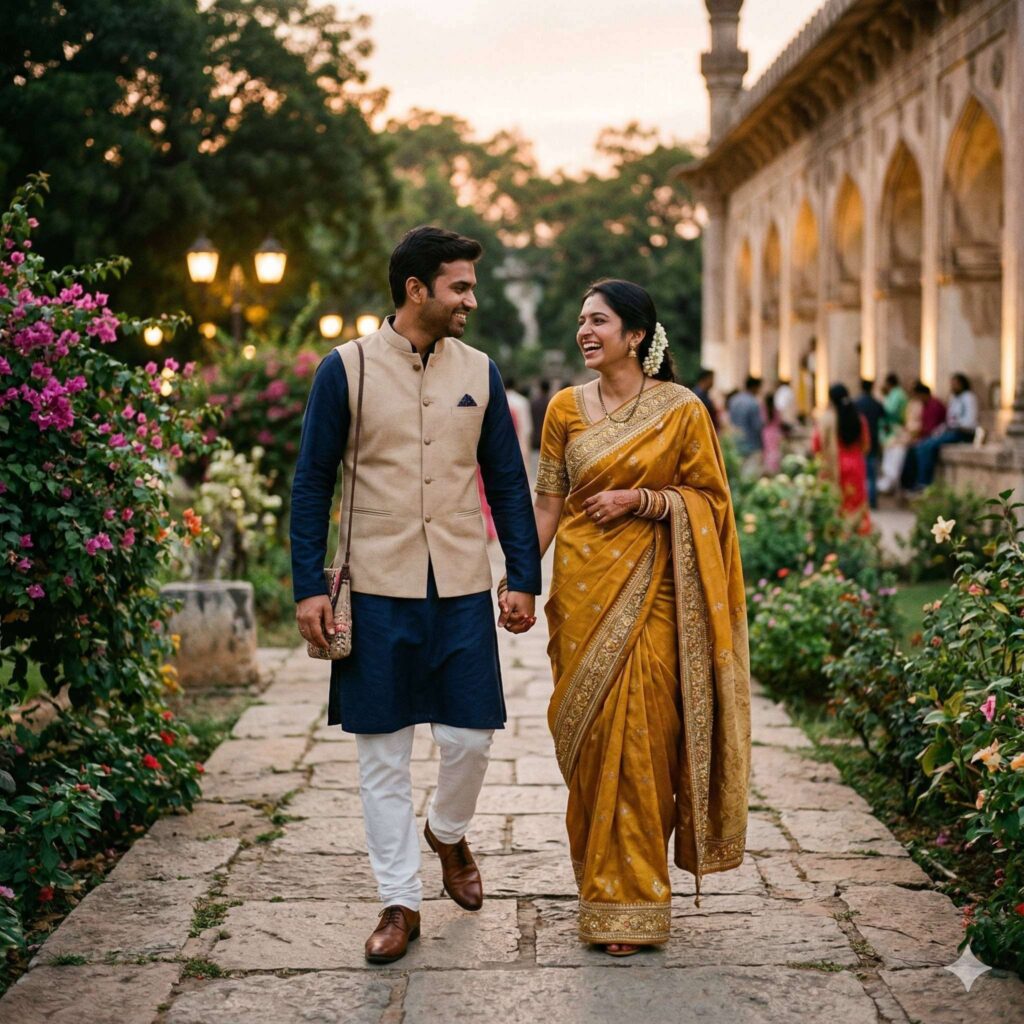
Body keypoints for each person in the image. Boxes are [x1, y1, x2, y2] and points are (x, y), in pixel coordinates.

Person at [290, 226, 542, 965]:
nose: (472, 298)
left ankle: (448, 831)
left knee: (470, 739)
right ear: (416, 289)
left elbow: (506, 482)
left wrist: (522, 575)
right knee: (382, 757)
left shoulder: (482, 371)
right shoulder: (346, 371)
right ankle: (400, 900)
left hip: (460, 581)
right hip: (374, 585)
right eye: (460, 285)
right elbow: (312, 482)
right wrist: (310, 586)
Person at [532, 279, 751, 956]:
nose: (584, 332)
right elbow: (546, 505)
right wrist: (515, 580)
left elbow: (711, 505)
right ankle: (601, 878)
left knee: (644, 742)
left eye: (598, 321)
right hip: (580, 593)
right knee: (595, 744)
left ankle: (628, 900)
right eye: (581, 321)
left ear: (636, 335)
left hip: (655, 595)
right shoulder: (564, 409)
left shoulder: (683, 411)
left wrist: (647, 501)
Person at [812, 383, 870, 533]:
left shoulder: (827, 420)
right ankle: (857, 540)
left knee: (837, 506)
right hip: (856, 465)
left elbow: (817, 446)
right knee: (856, 505)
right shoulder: (859, 418)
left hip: (835, 466)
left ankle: (838, 541)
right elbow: (866, 445)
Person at [910, 372, 978, 489]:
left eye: (955, 384)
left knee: (927, 446)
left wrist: (955, 425)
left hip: (963, 433)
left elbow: (969, 422)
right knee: (922, 446)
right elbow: (949, 419)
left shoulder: (969, 397)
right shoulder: (953, 398)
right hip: (950, 430)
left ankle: (924, 482)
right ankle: (920, 481)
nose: (952, 386)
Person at [899, 381, 947, 490]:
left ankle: (923, 482)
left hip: (935, 435)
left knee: (921, 448)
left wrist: (918, 436)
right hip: (925, 436)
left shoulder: (934, 405)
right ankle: (909, 484)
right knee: (910, 450)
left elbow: (931, 428)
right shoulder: (925, 405)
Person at [854, 379, 886, 509]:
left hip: (861, 442)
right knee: (872, 473)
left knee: (862, 473)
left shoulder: (856, 403)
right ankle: (872, 501)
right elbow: (885, 420)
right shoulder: (877, 404)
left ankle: (863, 501)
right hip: (873, 440)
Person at [726, 375, 764, 476]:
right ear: (754, 387)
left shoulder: (734, 400)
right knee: (749, 476)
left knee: (737, 474)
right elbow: (757, 426)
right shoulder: (753, 402)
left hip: (736, 441)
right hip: (751, 444)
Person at [504, 374, 533, 463]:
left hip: (502, 443)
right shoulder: (522, 401)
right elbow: (527, 427)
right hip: (520, 442)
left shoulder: (499, 401)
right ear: (515, 385)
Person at [761, 390, 785, 475]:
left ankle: (768, 470)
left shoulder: (763, 410)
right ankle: (775, 470)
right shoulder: (776, 410)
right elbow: (780, 422)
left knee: (768, 452)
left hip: (766, 433)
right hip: (775, 433)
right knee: (775, 452)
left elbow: (762, 422)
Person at [530, 379, 552, 450]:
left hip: (536, 437)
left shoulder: (534, 402)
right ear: (549, 388)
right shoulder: (551, 403)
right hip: (548, 438)